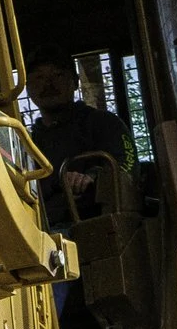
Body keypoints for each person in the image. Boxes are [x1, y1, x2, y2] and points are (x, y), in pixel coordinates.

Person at [22, 56, 129, 230]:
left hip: (95, 227)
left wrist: (91, 177)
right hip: (41, 228)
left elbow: (126, 167)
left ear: (75, 82)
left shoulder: (105, 124)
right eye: (39, 77)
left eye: (57, 75)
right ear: (28, 88)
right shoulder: (28, 143)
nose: (48, 84)